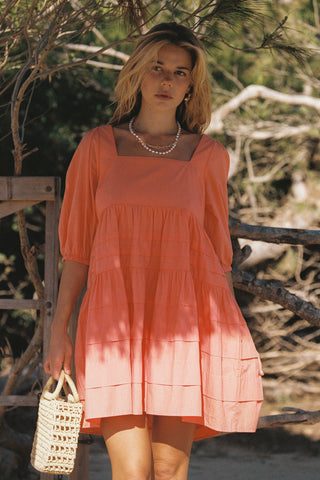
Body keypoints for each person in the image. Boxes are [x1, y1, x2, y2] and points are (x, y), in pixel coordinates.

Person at [45, 23, 263, 480]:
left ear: (190, 85)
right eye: (157, 68)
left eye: (179, 73)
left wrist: (226, 341)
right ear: (137, 74)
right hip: (112, 326)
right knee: (133, 471)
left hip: (184, 328)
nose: (166, 80)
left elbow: (216, 254)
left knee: (168, 470)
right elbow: (78, 250)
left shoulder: (207, 155)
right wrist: (59, 330)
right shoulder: (97, 148)